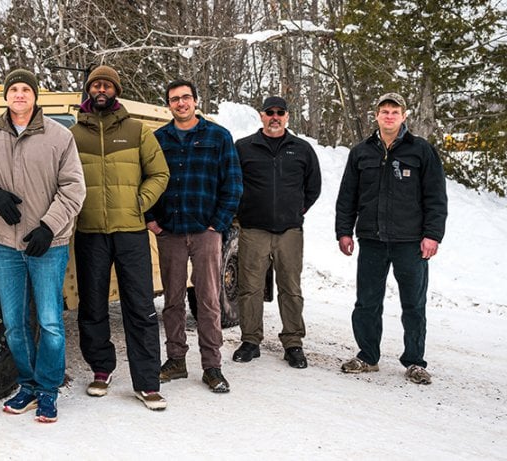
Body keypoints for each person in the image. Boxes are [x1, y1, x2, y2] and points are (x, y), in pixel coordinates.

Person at [0, 69, 85, 423]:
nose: (19, 95)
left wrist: (49, 226)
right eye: (13, 89)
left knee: (49, 321)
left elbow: (74, 188)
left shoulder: (59, 137)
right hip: (5, 242)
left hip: (49, 243)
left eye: (25, 89)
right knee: (13, 323)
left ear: (34, 96)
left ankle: (48, 390)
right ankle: (27, 385)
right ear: (5, 96)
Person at [70, 65, 169, 410]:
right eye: (95, 84)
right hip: (90, 232)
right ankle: (101, 368)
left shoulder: (137, 131)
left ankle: (147, 382)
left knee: (140, 307)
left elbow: (159, 173)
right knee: (93, 305)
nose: (101, 89)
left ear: (116, 91)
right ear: (88, 90)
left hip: (130, 234)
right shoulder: (72, 135)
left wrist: (138, 204)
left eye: (107, 85)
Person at [335, 92, 448, 385]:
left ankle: (415, 361)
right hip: (372, 239)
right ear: (376, 115)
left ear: (404, 115)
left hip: (410, 242)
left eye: (394, 112)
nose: (389, 116)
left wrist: (432, 235)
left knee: (413, 304)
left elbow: (436, 198)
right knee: (367, 302)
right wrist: (344, 231)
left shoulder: (421, 151)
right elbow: (347, 196)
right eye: (384, 111)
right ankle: (368, 356)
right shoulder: (361, 152)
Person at [146, 79, 242, 393]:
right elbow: (143, 181)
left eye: (186, 97)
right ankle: (175, 360)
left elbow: (233, 186)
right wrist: (151, 220)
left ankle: (212, 366)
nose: (181, 103)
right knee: (172, 301)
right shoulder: (159, 139)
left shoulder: (218, 136)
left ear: (196, 101)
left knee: (209, 301)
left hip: (206, 232)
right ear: (168, 104)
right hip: (170, 232)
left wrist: (218, 224)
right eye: (174, 99)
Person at [232, 96, 321, 368]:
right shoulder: (244, 148)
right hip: (253, 230)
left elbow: (313, 187)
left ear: (287, 117)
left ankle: (293, 343)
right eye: (269, 112)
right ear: (261, 116)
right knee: (250, 287)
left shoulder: (302, 149)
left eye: (280, 112)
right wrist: (241, 213)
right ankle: (250, 340)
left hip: (289, 231)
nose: (274, 116)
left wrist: (295, 209)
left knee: (291, 288)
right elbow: (233, 183)